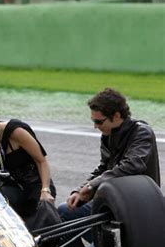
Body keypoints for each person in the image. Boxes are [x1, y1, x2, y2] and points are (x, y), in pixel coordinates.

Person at [58, 88, 161, 222]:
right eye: (93, 121)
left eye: (99, 122)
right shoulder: (108, 134)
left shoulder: (142, 132)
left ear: (117, 116)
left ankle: (102, 242)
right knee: (65, 210)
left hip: (138, 204)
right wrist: (79, 191)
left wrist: (91, 185)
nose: (95, 126)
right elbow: (103, 168)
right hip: (114, 199)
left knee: (100, 239)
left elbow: (131, 166)